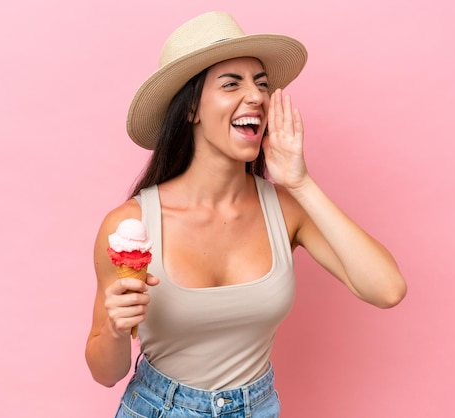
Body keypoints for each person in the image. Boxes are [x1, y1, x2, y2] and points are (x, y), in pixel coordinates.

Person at [85, 11, 407, 417]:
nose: (256, 96)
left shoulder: (287, 208)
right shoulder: (130, 225)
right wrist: (115, 329)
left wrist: (301, 183)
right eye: (231, 83)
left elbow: (387, 289)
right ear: (191, 110)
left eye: (261, 83)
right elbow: (104, 372)